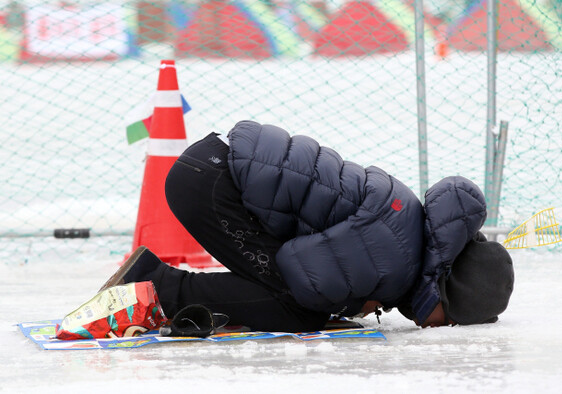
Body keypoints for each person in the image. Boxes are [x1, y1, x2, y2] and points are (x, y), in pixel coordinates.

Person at [102, 120, 514, 333]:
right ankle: (153, 285)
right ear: (445, 289)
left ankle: (159, 284)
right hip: (212, 185)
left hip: (210, 167)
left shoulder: (407, 231)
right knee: (298, 307)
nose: (444, 327)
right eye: (453, 318)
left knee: (294, 298)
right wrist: (353, 303)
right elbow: (300, 269)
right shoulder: (398, 259)